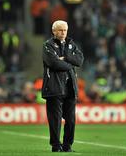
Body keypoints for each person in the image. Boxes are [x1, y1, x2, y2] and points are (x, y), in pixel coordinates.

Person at [42, 20, 84, 152]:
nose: (63, 32)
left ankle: (67, 146)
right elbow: (54, 63)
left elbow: (80, 60)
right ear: (54, 31)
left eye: (65, 30)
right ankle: (56, 146)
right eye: (60, 30)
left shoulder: (71, 44)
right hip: (54, 87)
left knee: (71, 119)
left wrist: (65, 58)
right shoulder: (47, 45)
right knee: (55, 120)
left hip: (70, 87)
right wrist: (70, 64)